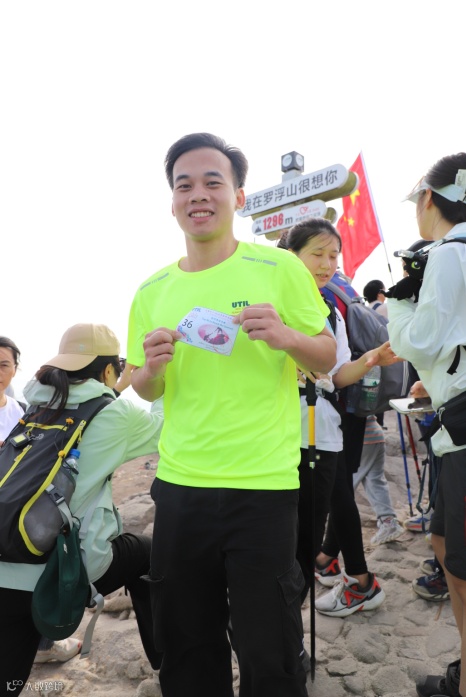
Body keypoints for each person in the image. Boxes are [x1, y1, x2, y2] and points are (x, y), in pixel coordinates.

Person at [127, 132, 336, 697]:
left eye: (212, 182)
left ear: (239, 196)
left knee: (270, 651)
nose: (198, 194)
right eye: (184, 185)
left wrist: (287, 336)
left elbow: (325, 357)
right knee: (187, 646)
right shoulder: (151, 290)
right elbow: (144, 388)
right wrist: (150, 368)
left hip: (263, 487)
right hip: (180, 487)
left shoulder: (279, 267)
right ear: (173, 201)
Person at [0, 323, 164, 695]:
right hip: (59, 571)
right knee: (149, 553)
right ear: (108, 370)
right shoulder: (116, 414)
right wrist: (157, 380)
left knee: (8, 680)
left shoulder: (37, 407)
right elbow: (166, 429)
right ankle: (167, 665)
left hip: (6, 561)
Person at [279, 218, 401, 616]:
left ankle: (291, 623)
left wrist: (372, 359)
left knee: (304, 538)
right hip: (275, 436)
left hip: (320, 433)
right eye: (317, 254)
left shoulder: (330, 310)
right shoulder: (269, 303)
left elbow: (338, 374)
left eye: (334, 256)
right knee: (280, 536)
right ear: (290, 255)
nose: (327, 264)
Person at [387, 153, 466, 697]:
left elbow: (418, 341)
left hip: (462, 432)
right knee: (443, 543)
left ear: (429, 198)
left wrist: (400, 302)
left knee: (460, 569)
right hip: (453, 421)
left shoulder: (448, 251)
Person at [354, 414, 404, 545]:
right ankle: (389, 522)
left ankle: (335, 534)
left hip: (357, 438)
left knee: (345, 485)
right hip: (376, 433)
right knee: (375, 481)